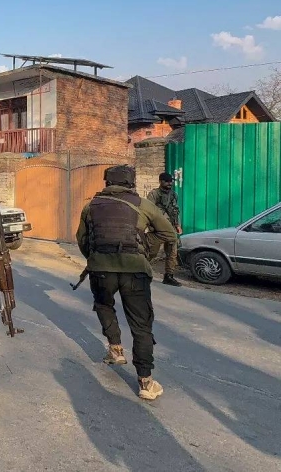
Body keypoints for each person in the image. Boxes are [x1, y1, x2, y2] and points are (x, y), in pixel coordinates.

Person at [76, 165, 177, 401]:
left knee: (103, 306)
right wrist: (144, 247)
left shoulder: (91, 206)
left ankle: (115, 349)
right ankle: (145, 382)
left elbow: (82, 240)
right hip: (135, 271)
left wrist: (97, 257)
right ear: (131, 182)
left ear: (106, 182)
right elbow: (169, 234)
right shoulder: (143, 204)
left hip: (101, 269)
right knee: (141, 325)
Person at [146, 172, 183, 286]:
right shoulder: (154, 194)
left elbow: (175, 211)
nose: (169, 183)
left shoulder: (174, 195)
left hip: (171, 228)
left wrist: (177, 225)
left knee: (172, 253)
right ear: (160, 181)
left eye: (171, 181)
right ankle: (141, 271)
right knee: (151, 252)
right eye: (166, 181)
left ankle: (169, 276)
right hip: (158, 229)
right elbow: (149, 211)